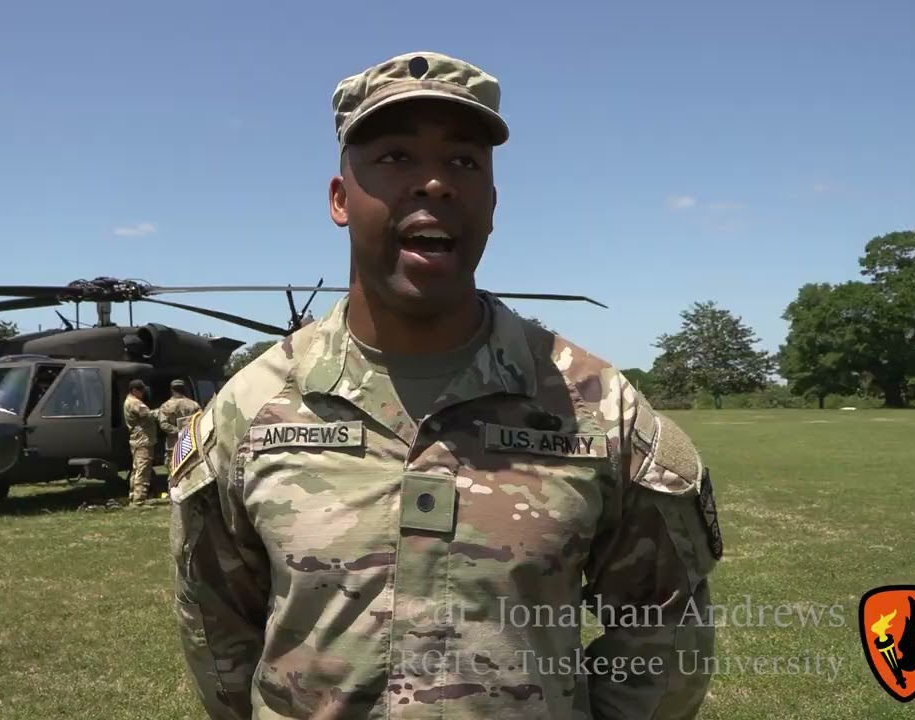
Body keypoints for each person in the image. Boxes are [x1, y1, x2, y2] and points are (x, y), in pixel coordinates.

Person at [167, 50, 722, 718]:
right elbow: (217, 633)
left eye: (464, 163)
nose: (435, 184)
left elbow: (664, 633)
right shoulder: (251, 408)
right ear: (341, 200)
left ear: (492, 202)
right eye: (396, 157)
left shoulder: (596, 408)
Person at [122, 378, 157, 506]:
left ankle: (133, 496)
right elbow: (149, 415)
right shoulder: (135, 403)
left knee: (136, 469)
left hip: (137, 439)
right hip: (143, 440)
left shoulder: (129, 401)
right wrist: (163, 410)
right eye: (141, 390)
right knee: (143, 469)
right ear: (134, 391)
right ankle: (139, 500)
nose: (143, 393)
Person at [157, 379, 201, 470]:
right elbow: (200, 420)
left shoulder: (166, 406)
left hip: (174, 444)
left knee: (173, 468)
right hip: (190, 441)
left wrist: (178, 430)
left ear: (172, 390)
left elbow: (164, 424)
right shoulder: (194, 404)